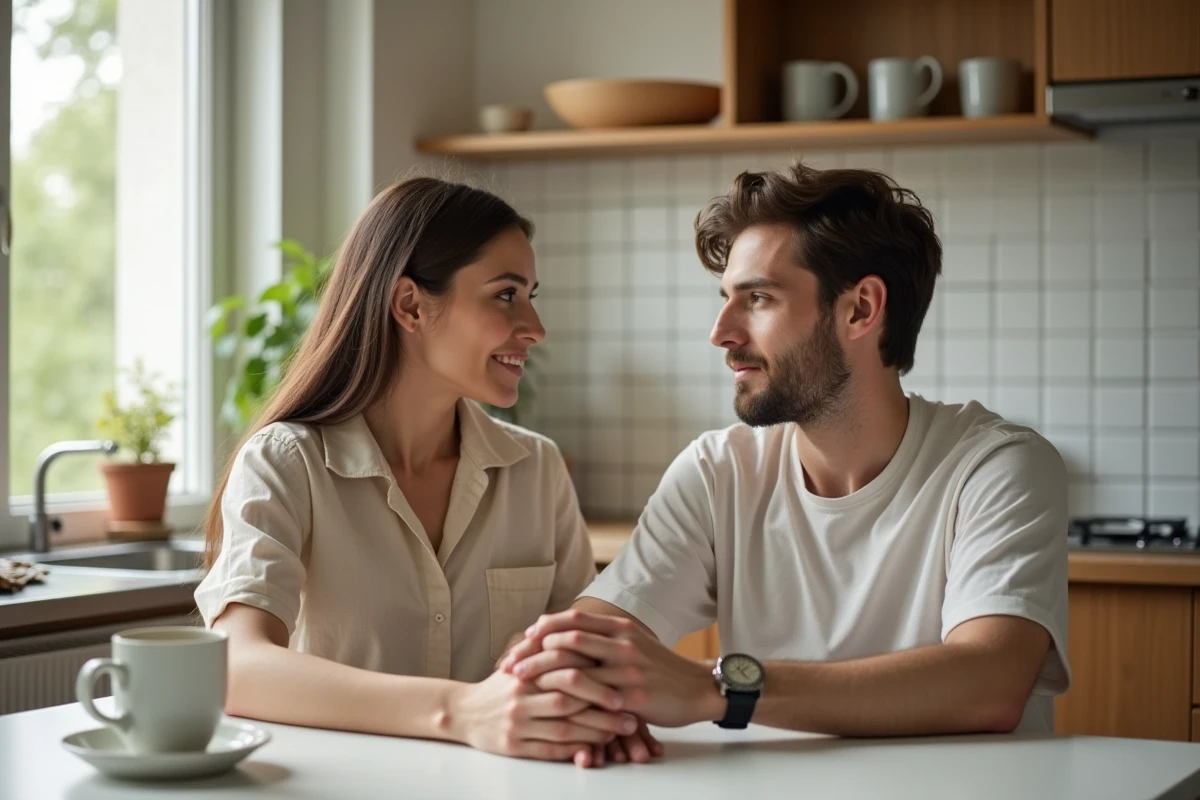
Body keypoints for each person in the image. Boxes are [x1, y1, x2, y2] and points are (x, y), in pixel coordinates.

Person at [500, 162, 1070, 764]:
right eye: (726, 300)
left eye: (759, 298)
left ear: (860, 309)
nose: (721, 332)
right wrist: (573, 683)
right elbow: (584, 640)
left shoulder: (996, 467)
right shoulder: (718, 472)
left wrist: (716, 687)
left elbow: (989, 682)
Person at [195, 177, 638, 767]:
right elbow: (237, 665)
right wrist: (462, 713)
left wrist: (592, 705)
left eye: (531, 294)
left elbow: (575, 653)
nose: (535, 326)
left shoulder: (537, 469)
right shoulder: (287, 462)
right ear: (409, 304)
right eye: (506, 295)